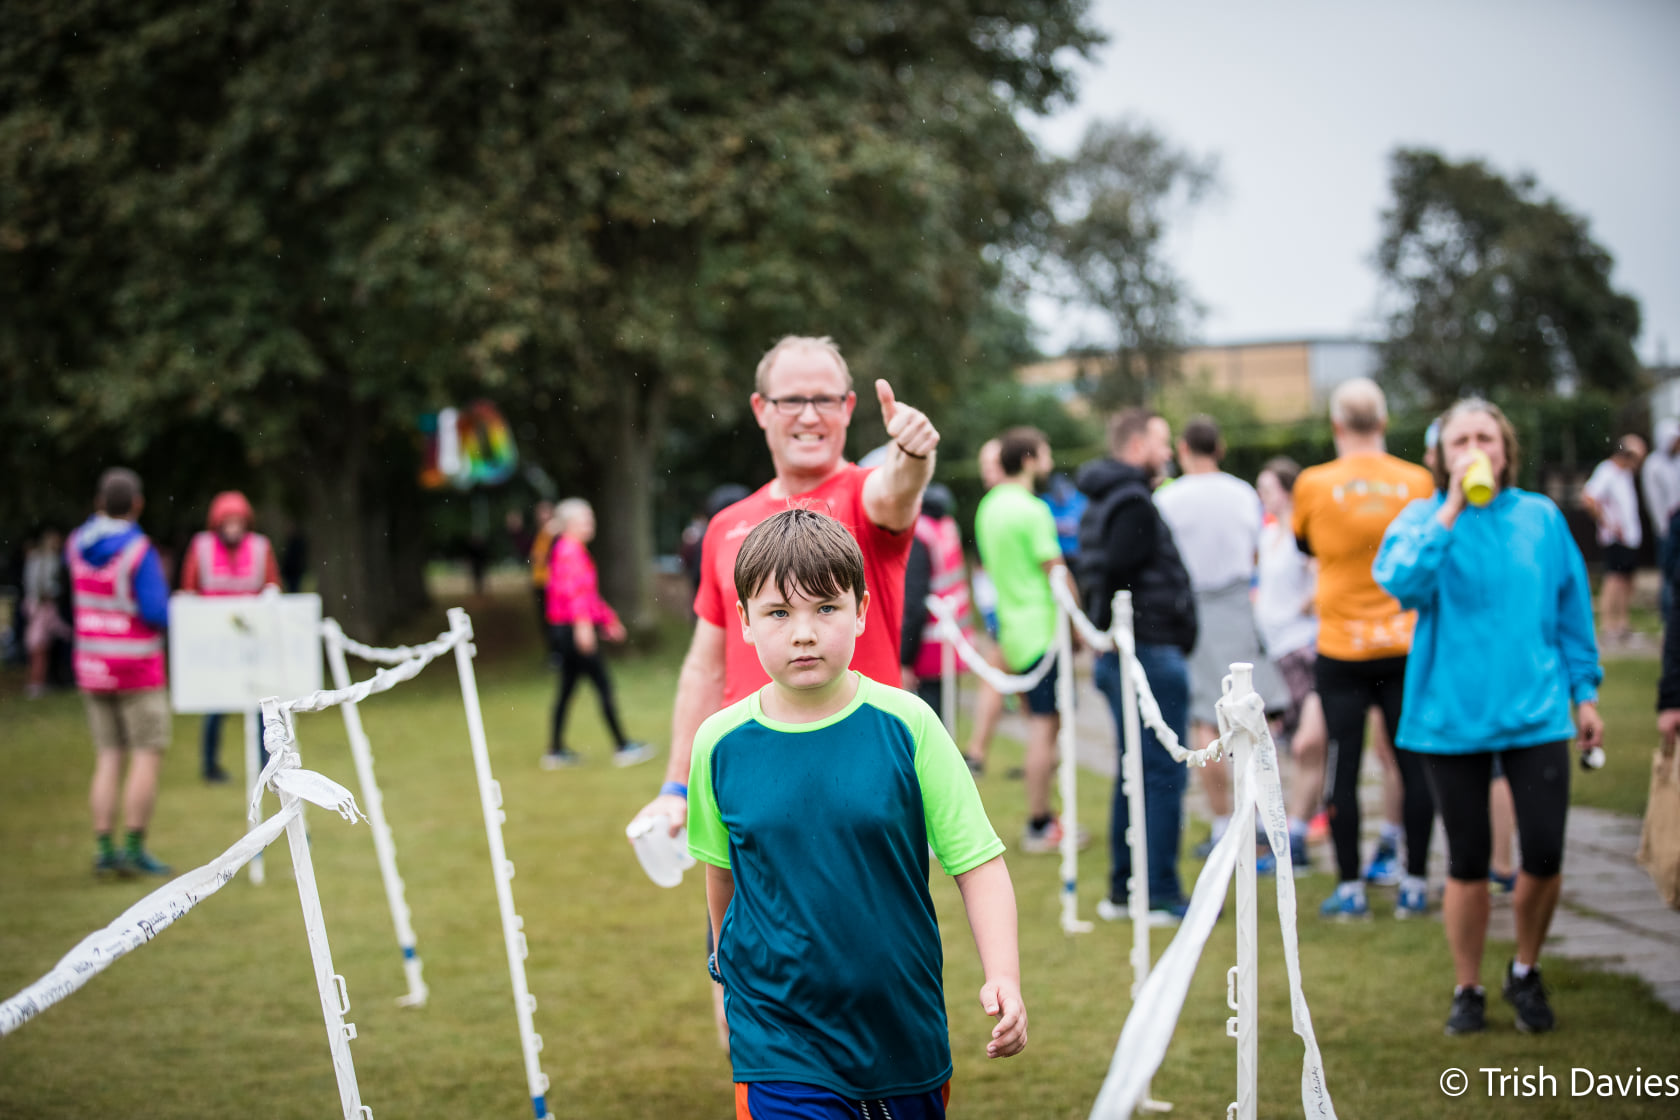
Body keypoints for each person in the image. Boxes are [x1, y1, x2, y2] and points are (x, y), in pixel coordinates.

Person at [688, 509, 1026, 1113]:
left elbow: (977, 863)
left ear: (862, 610)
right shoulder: (719, 742)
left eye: (826, 607)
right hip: (776, 1039)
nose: (804, 633)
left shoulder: (909, 724)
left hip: (902, 1030)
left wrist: (1004, 973)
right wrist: (724, 970)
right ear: (743, 621)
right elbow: (722, 874)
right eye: (778, 612)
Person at [634, 335, 939, 835]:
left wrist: (912, 453)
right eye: (792, 400)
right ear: (761, 409)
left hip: (860, 787)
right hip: (749, 789)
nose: (810, 415)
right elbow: (706, 667)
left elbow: (898, 489)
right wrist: (676, 787)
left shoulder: (864, 496)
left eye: (826, 400)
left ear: (849, 407)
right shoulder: (725, 527)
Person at [1374, 398, 1602, 1035]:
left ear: (1506, 451)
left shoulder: (1540, 517)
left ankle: (1525, 969)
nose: (1475, 449)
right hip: (1451, 719)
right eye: (1460, 440)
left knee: (1545, 854)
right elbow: (1400, 582)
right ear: (1440, 455)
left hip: (1537, 714)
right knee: (1467, 861)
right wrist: (1449, 510)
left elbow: (1572, 613)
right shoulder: (1422, 518)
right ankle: (1468, 987)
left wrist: (1585, 693)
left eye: (1486, 438)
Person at [1292, 377, 1437, 920]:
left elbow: (1305, 544)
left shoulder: (1314, 483)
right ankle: (1415, 883)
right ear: (1384, 422)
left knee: (1342, 767)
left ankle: (1350, 888)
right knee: (1414, 765)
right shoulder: (1417, 481)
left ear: (1336, 425)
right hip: (1405, 643)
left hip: (1342, 648)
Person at [1076, 408, 1198, 925]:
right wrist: (1111, 631)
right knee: (1160, 773)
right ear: (1136, 446)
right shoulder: (1131, 501)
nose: (1168, 452)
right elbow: (1114, 573)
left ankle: (1126, 888)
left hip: (1132, 650)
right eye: (1161, 441)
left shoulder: (1107, 498)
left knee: (1136, 770)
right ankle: (1158, 892)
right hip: (1146, 651)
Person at [1154, 416, 1282, 863]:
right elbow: (1256, 550)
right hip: (1238, 604)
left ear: (1182, 448)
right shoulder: (1243, 492)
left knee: (1205, 718)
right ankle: (1260, 818)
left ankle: (1223, 820)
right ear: (1220, 447)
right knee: (1251, 713)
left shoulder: (1168, 498)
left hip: (1194, 608)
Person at [68, 468, 173, 878]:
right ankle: (133, 847)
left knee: (108, 756)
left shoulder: (77, 545)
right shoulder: (138, 550)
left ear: (98, 502)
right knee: (145, 754)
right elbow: (156, 612)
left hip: (92, 666)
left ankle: (103, 848)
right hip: (136, 668)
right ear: (138, 504)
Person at [975, 427, 1074, 853]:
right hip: (1040, 631)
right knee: (1044, 729)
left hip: (1011, 629)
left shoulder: (988, 506)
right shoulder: (1033, 509)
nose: (1049, 460)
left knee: (1041, 725)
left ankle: (1046, 817)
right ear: (1030, 459)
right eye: (1045, 452)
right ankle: (1040, 823)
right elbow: (1056, 571)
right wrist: (1081, 622)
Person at [541, 499, 652, 769]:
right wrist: (584, 627)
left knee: (567, 688)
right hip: (573, 629)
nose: (591, 524)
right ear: (570, 523)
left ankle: (555, 751)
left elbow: (588, 595)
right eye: (585, 519)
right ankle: (622, 746)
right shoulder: (570, 551)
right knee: (602, 684)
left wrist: (607, 619)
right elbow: (575, 594)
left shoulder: (569, 549)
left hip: (567, 629)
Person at [179, 491, 281, 783]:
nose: (234, 528)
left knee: (262, 706)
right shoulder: (202, 548)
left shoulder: (260, 547)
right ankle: (210, 766)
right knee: (216, 706)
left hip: (252, 641)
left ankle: (266, 763)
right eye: (228, 522)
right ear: (218, 524)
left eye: (239, 522)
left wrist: (270, 596)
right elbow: (189, 589)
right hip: (216, 644)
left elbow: (272, 584)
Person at [1254, 457, 1326, 870]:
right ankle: (1285, 827)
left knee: (1307, 743)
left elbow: (1321, 575)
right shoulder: (1267, 535)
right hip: (1274, 650)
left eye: (1268, 488)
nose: (1262, 496)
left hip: (1304, 646)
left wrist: (1304, 606)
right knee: (1279, 743)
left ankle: (1297, 831)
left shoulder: (1304, 530)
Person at [900, 482, 971, 716]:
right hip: (950, 640)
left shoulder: (919, 535)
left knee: (928, 720)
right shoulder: (947, 526)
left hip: (926, 650)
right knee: (946, 716)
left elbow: (914, 603)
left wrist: (904, 660)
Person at [964, 438, 1009, 774]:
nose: (986, 472)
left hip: (1004, 607)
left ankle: (977, 752)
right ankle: (976, 752)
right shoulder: (994, 505)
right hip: (1002, 609)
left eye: (991, 464)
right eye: (983, 466)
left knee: (1000, 681)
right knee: (995, 680)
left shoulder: (998, 504)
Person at [1581, 434, 1648, 647]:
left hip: (1630, 537)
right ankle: (1608, 625)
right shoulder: (1607, 471)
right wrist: (1607, 523)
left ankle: (1622, 624)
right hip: (1615, 538)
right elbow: (1588, 498)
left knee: (1627, 579)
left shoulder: (1625, 474)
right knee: (1614, 579)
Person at [23, 527, 71, 698]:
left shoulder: (41, 558)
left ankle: (44, 681)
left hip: (42, 606)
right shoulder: (45, 559)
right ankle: (37, 683)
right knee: (39, 646)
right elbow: (42, 586)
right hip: (41, 606)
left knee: (43, 646)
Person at [1644, 420, 1680, 618]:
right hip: (1667, 528)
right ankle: (1668, 612)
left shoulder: (1676, 462)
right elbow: (1655, 500)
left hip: (1677, 524)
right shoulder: (1653, 465)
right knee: (1668, 571)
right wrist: (1663, 527)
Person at [527, 499, 557, 638]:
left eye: (545, 512)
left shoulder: (555, 533)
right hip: (539, 581)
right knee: (544, 618)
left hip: (551, 581)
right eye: (540, 513)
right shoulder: (538, 533)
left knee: (553, 618)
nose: (542, 516)